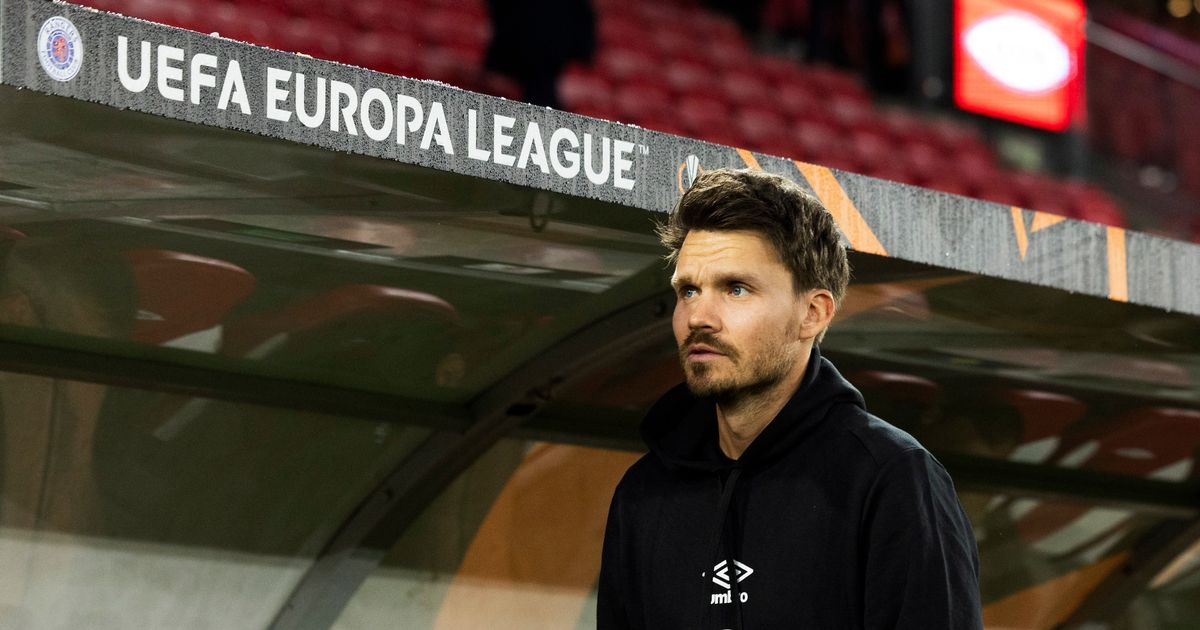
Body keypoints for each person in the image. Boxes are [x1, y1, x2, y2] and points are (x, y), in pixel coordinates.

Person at [597, 169, 981, 629]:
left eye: (736, 289)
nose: (698, 317)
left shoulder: (891, 477)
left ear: (812, 313)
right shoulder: (644, 493)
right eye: (689, 290)